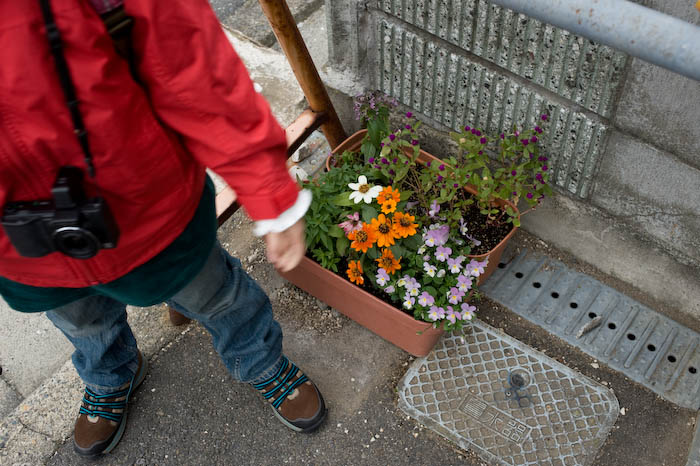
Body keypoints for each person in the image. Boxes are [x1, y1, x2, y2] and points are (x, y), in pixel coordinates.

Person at [0, 0, 326, 458]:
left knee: (216, 294)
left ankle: (260, 359)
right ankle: (109, 374)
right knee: (80, 320)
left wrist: (267, 187)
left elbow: (188, 61)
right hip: (25, 247)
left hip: (145, 206)